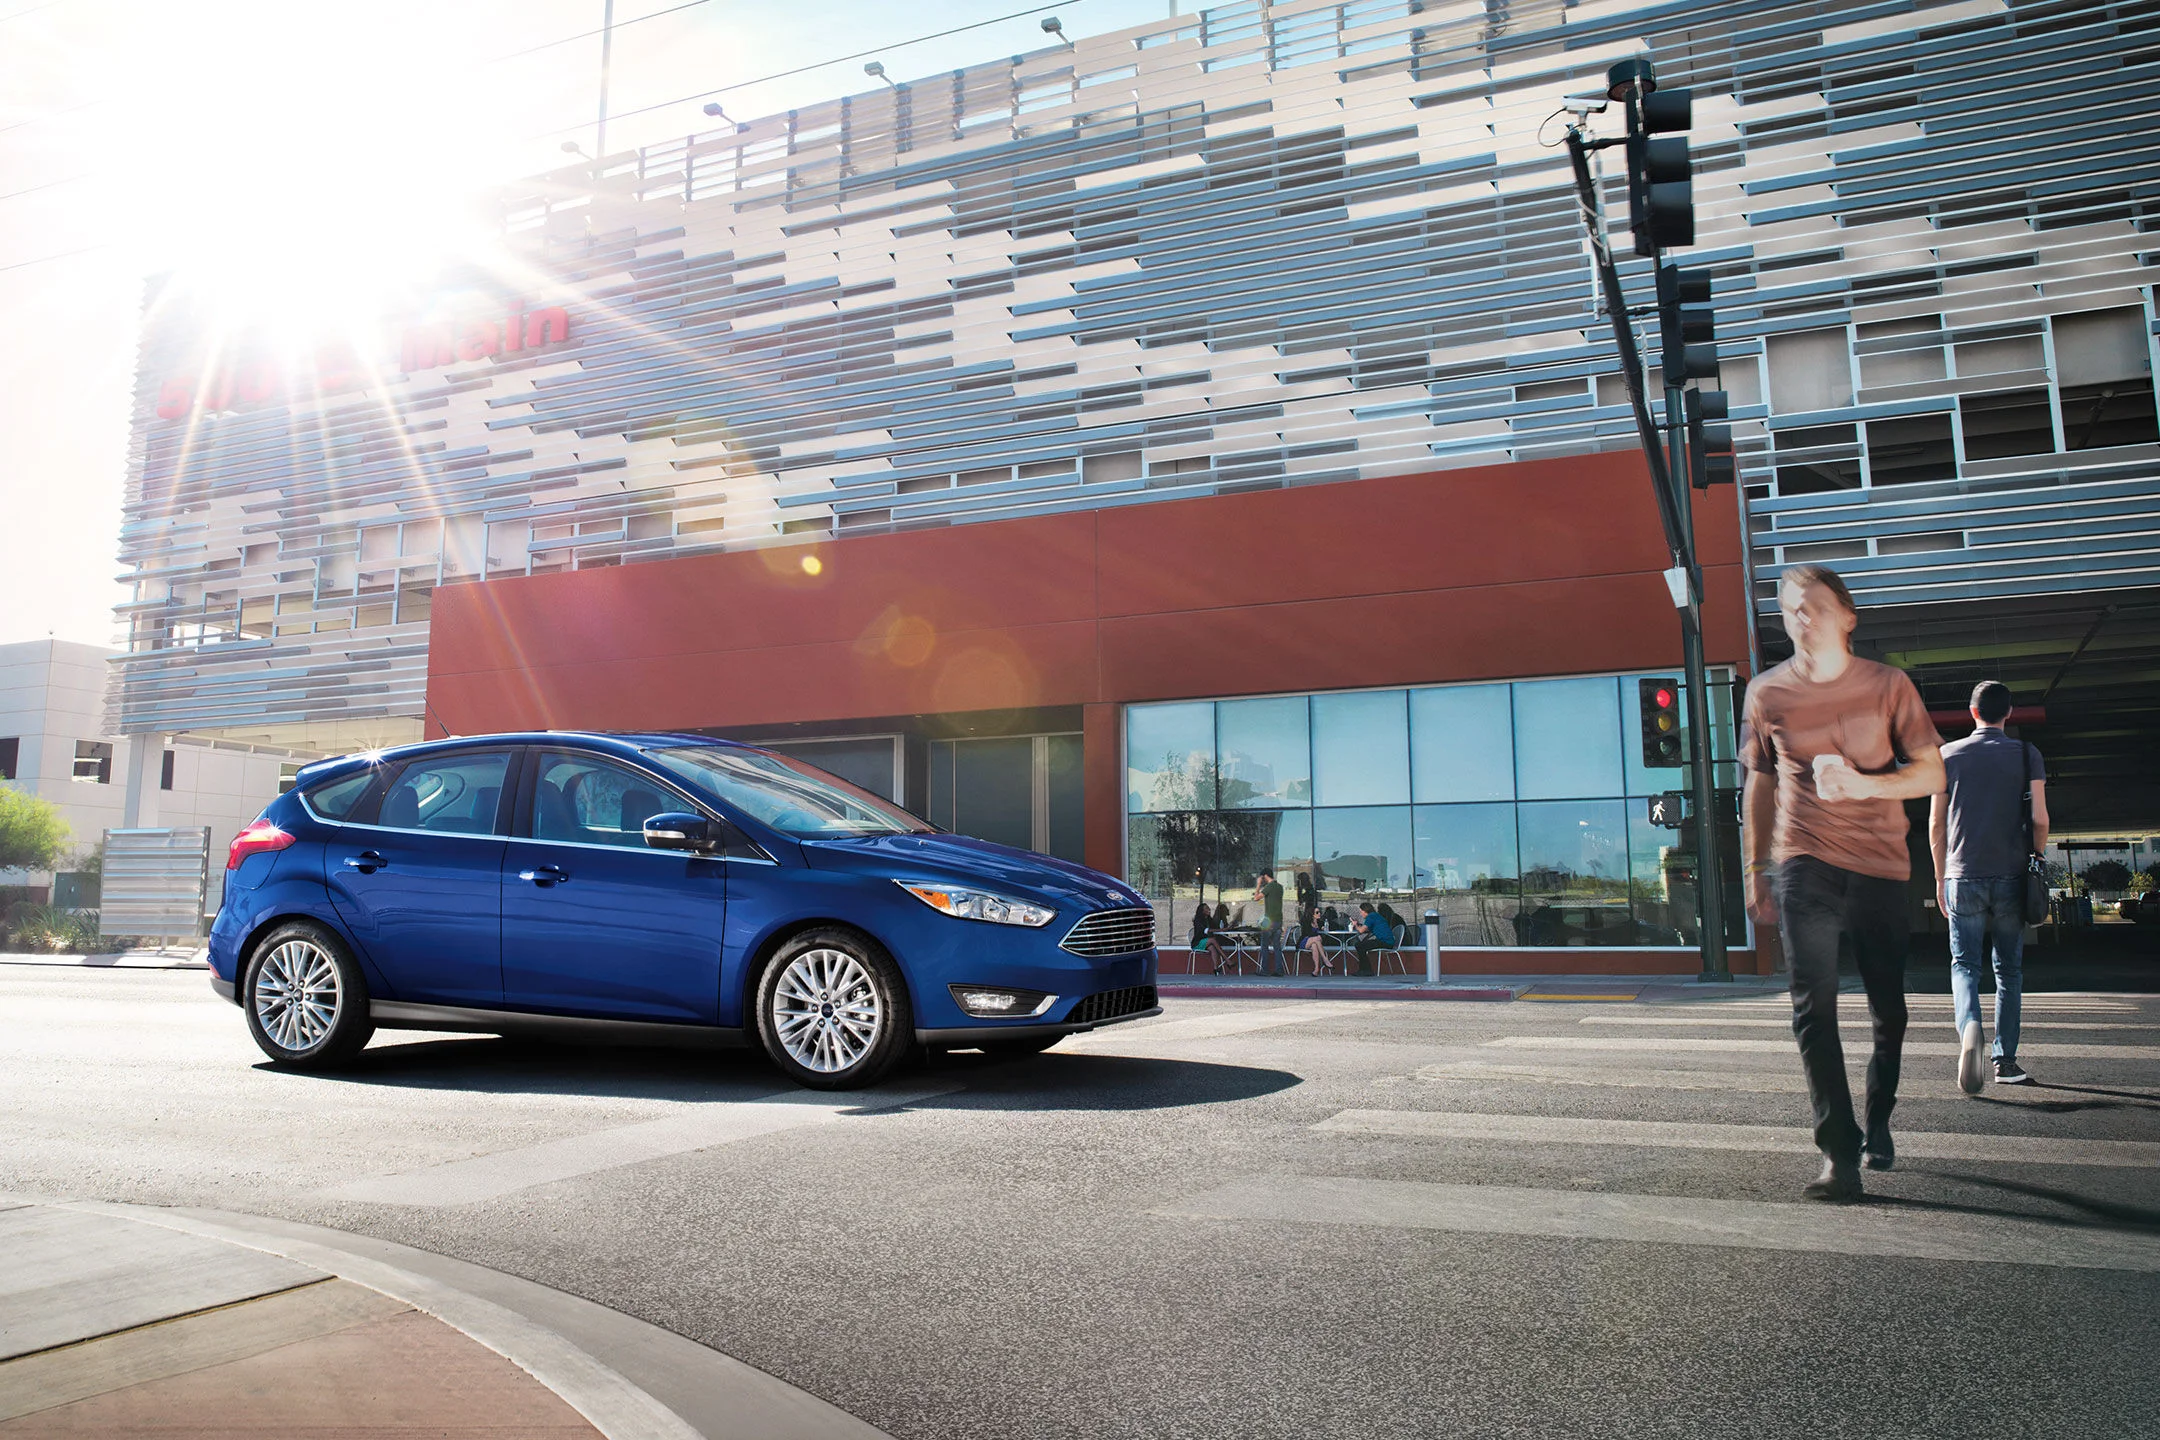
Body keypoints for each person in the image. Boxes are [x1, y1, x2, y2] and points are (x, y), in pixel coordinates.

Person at [1741, 564, 1944, 1203]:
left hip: (1881, 866)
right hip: (1805, 862)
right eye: (1791, 609)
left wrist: (1866, 785)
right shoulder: (1766, 694)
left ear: (1847, 616)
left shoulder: (1889, 685)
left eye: (1816, 607)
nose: (1802, 619)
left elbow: (1932, 774)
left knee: (1889, 1008)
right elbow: (1760, 785)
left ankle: (1878, 1117)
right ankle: (1839, 1152)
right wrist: (1755, 869)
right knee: (1812, 1008)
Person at [1931, 680, 2047, 1091]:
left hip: (1962, 875)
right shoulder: (2024, 753)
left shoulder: (1946, 755)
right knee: (2008, 970)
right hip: (2012, 876)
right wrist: (2036, 856)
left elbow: (1936, 824)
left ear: (1972, 711)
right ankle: (2006, 1062)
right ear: (2008, 713)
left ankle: (1969, 1028)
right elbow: (2040, 819)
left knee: (1964, 964)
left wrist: (1940, 875)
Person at [1253, 870, 1285, 976]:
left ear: (1265, 876)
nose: (1262, 879)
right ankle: (1279, 970)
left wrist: (1258, 884)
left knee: (1264, 945)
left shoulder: (1269, 887)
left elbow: (1256, 898)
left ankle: (1265, 970)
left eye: (1262, 877)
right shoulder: (1280, 887)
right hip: (1279, 920)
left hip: (1269, 921)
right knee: (1277, 946)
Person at [1351, 901, 1395, 977]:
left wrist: (1355, 925)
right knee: (1361, 945)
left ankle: (1366, 970)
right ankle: (1365, 970)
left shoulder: (1371, 917)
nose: (1361, 914)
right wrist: (1359, 926)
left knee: (1359, 946)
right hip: (1388, 941)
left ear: (1365, 911)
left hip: (1385, 942)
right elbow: (1368, 930)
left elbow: (1361, 930)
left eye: (1361, 911)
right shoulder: (1375, 916)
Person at [1188, 900, 1219, 974]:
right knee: (1212, 940)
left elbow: (1215, 928)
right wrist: (1222, 929)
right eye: (1206, 908)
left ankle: (1216, 968)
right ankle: (1227, 959)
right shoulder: (1198, 920)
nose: (1209, 910)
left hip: (1205, 942)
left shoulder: (1208, 920)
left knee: (1212, 947)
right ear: (1202, 911)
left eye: (1209, 908)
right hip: (1197, 943)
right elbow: (1206, 930)